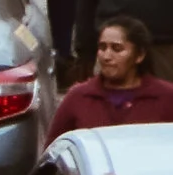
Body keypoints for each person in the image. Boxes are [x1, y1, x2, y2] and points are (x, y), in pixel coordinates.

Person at [50, 10, 173, 143]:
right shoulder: (78, 97)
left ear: (140, 55)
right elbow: (53, 153)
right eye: (102, 48)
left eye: (117, 49)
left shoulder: (166, 97)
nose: (106, 56)